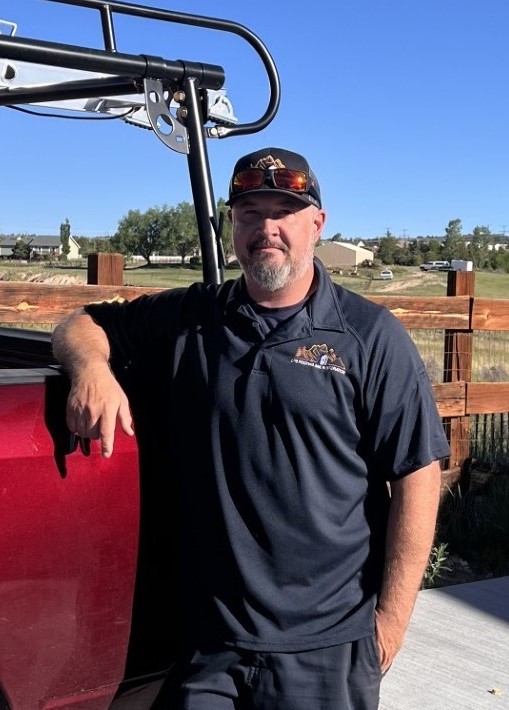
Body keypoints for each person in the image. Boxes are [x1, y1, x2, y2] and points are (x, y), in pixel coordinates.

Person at [52, 147, 450, 710]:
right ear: (231, 225)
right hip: (209, 647)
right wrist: (90, 367)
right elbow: (81, 323)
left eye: (284, 211)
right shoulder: (192, 319)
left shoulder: (369, 337)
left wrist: (391, 619)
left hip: (327, 648)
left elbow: (417, 474)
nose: (267, 228)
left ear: (317, 224)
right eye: (249, 213)